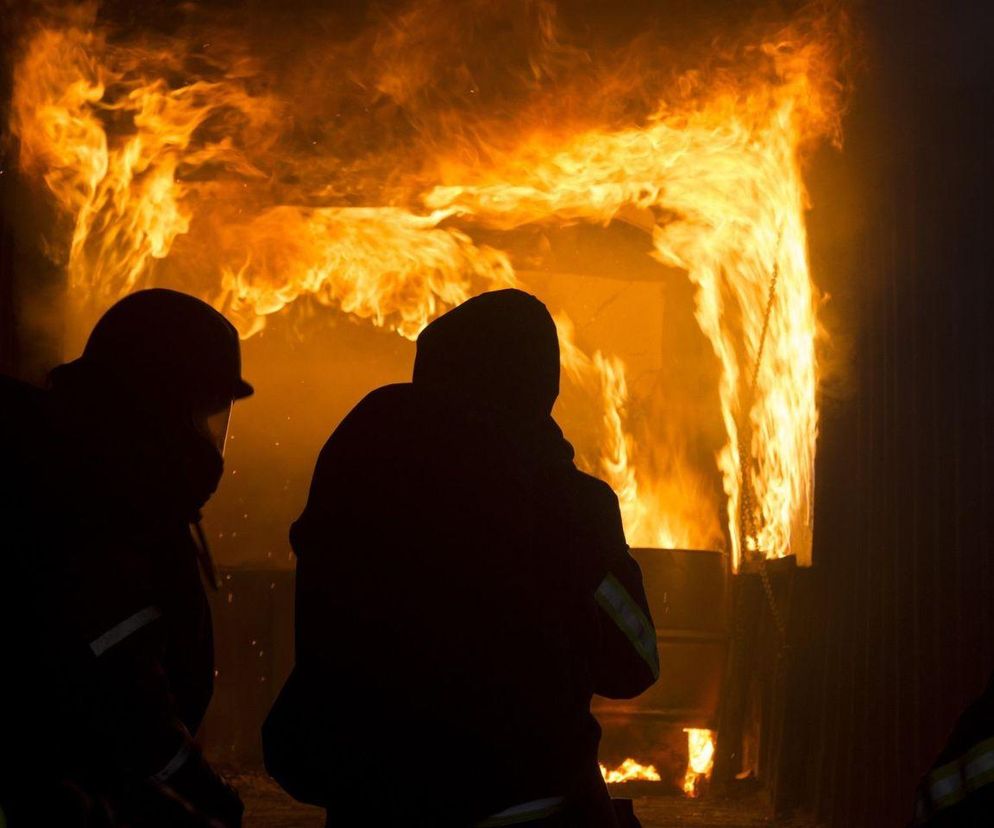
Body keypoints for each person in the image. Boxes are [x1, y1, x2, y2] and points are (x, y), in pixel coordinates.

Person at [263, 289, 659, 827]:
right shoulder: (561, 499)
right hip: (520, 799)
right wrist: (594, 547)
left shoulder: (359, 465)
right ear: (540, 384)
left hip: (368, 795)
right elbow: (632, 664)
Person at [0, 289, 252, 827]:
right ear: (156, 405)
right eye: (199, 413)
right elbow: (121, 692)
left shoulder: (110, 485)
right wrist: (195, 789)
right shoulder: (86, 501)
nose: (207, 439)